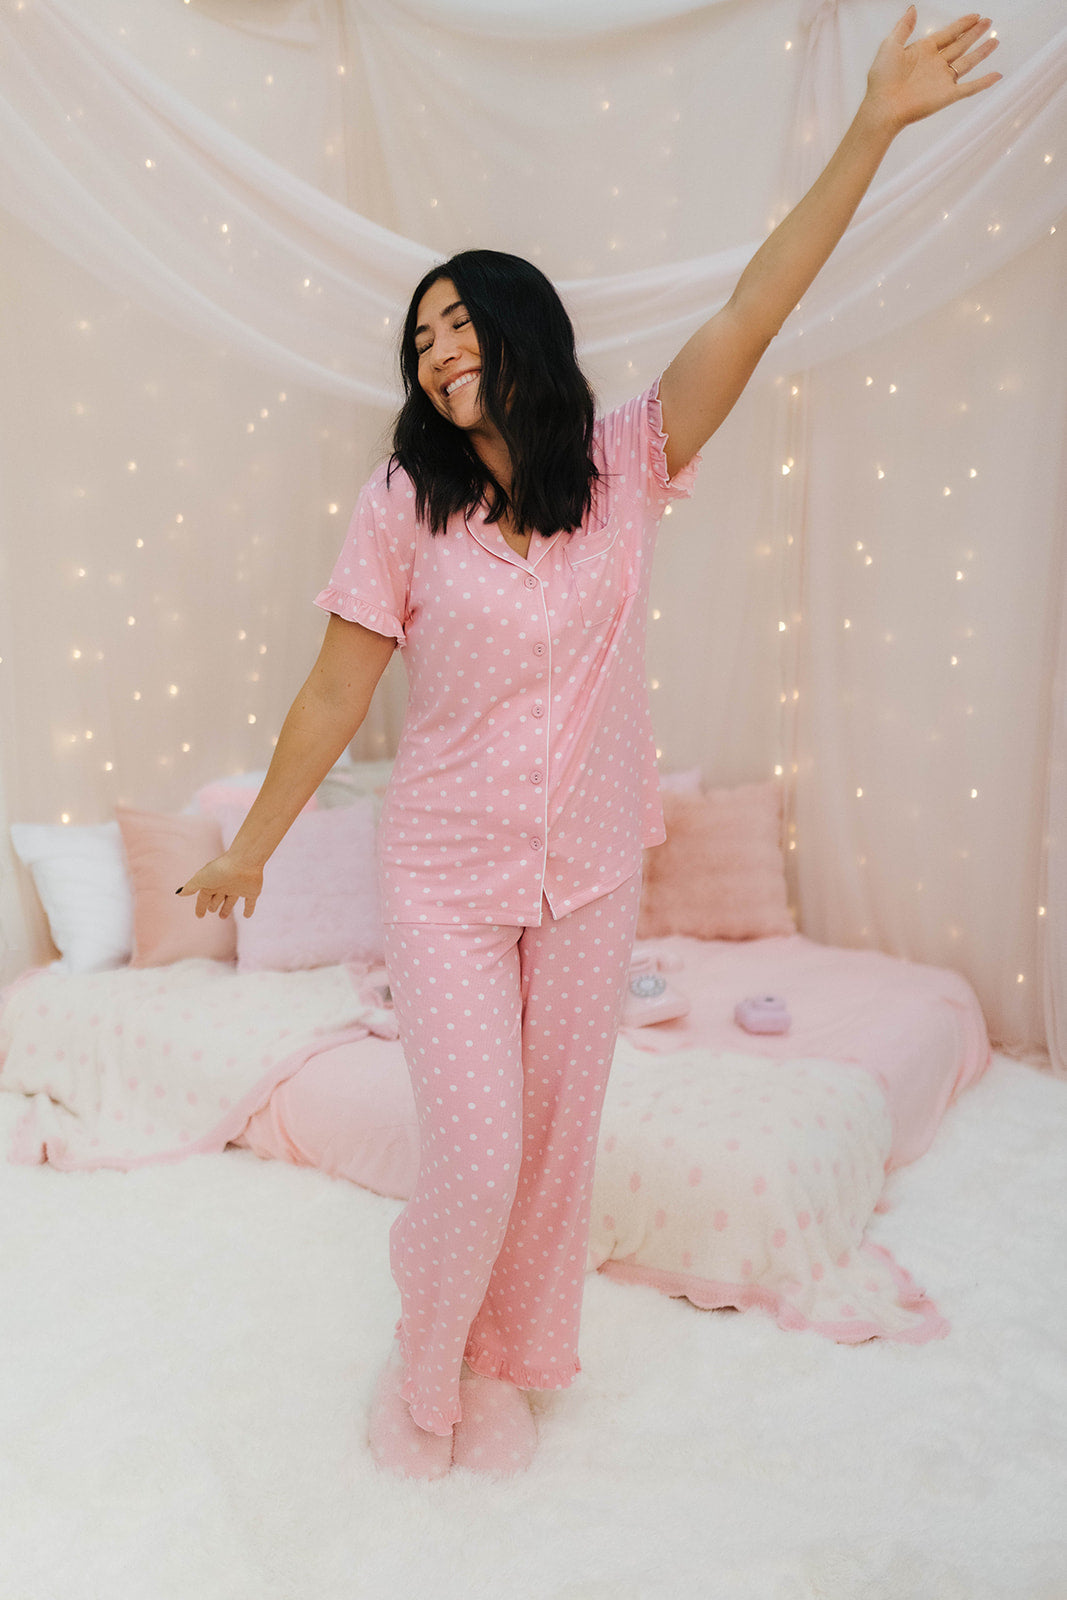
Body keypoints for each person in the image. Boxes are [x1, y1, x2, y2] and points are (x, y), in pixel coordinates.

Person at [179, 8, 1000, 1479]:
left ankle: (507, 1357)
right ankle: (423, 1367)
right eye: (420, 343)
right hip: (441, 873)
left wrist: (871, 125)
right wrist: (251, 846)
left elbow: (755, 305)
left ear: (522, 333)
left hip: (589, 872)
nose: (438, 357)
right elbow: (327, 696)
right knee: (479, 1150)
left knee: (556, 1154)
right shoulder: (401, 506)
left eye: (459, 327)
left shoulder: (628, 462)